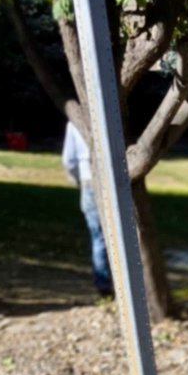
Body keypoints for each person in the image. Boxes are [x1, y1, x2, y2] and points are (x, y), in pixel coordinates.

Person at [62, 117, 113, 298]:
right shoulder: (110, 116)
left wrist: (78, 179)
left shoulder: (75, 122)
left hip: (88, 179)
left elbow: (69, 161)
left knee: (98, 237)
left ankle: (104, 285)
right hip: (110, 179)